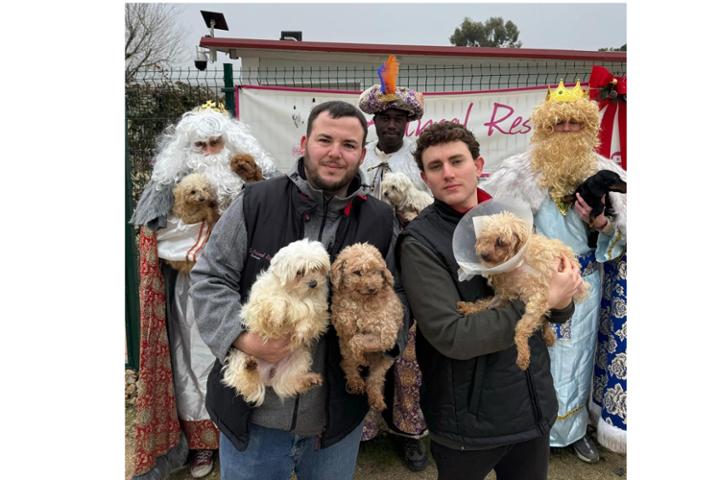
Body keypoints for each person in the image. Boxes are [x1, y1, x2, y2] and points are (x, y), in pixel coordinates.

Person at [189, 100, 409, 480]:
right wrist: (243, 338)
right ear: (305, 143)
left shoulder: (380, 219)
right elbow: (210, 277)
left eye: (348, 145)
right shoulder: (257, 201)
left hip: (335, 420)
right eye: (325, 140)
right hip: (254, 417)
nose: (335, 153)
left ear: (361, 154)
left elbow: (400, 292)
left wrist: (386, 339)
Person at [397, 121, 583, 480]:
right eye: (435, 166)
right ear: (424, 178)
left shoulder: (511, 220)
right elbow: (453, 335)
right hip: (469, 422)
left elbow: (557, 311)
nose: (448, 173)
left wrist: (561, 298)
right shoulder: (420, 243)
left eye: (457, 161)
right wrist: (544, 300)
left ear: (478, 166)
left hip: (531, 405)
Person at [129, 101, 278, 479]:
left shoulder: (251, 179)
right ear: (187, 149)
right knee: (195, 362)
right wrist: (206, 236)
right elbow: (158, 238)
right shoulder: (166, 187)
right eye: (201, 145)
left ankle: (244, 433)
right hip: (192, 290)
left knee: (244, 357)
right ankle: (202, 443)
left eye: (216, 143)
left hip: (243, 288)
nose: (210, 152)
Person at [483, 81, 627, 463]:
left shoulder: (608, 172)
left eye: (574, 123)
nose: (566, 129)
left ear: (587, 127)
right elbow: (493, 223)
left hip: (584, 282)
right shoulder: (517, 172)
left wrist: (602, 224)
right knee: (532, 354)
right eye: (557, 123)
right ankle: (532, 431)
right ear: (545, 127)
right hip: (532, 281)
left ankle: (574, 430)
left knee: (578, 357)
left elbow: (629, 231)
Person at [356, 55, 429, 471]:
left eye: (398, 119)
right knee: (361, 346)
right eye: (384, 118)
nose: (390, 125)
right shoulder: (357, 158)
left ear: (407, 124)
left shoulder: (418, 163)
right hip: (364, 270)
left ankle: (409, 429)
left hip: (406, 270)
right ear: (375, 121)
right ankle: (363, 425)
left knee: (407, 354)